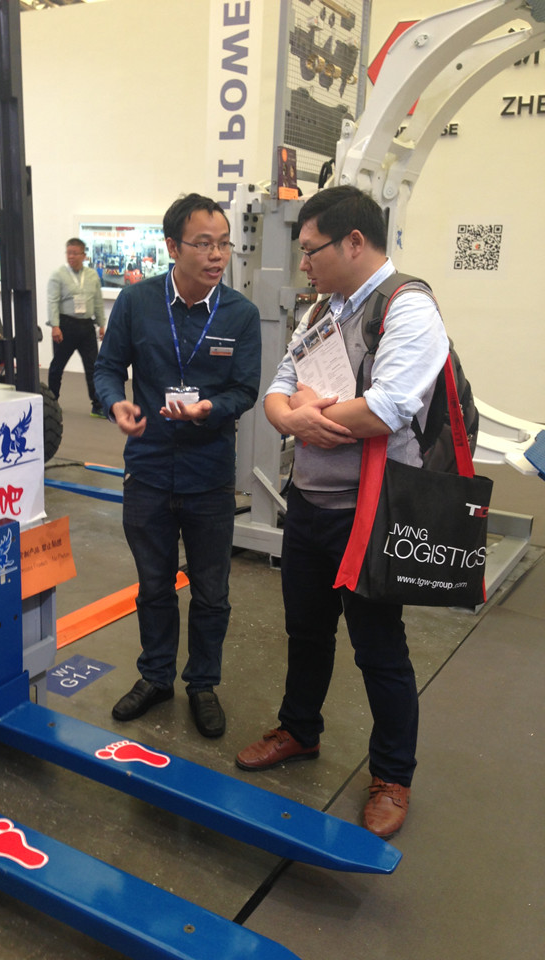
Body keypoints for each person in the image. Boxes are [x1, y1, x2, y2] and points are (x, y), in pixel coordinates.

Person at [235, 186, 449, 839]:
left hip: (372, 513)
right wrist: (294, 417)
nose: (303, 263)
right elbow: (277, 390)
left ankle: (392, 774)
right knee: (306, 630)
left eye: (311, 250)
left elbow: (388, 408)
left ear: (354, 242)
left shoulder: (408, 308)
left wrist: (305, 419)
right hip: (309, 503)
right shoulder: (321, 311)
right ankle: (300, 729)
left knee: (379, 650)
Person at [94, 193, 261, 738]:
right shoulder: (137, 302)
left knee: (211, 591)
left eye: (224, 244)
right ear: (173, 246)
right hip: (148, 469)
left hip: (208, 475)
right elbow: (106, 368)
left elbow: (245, 389)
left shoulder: (240, 314)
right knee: (154, 585)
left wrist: (211, 408)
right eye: (204, 244)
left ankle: (203, 684)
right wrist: (114, 403)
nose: (217, 255)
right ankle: (156, 676)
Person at [47, 238, 106, 417]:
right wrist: (55, 326)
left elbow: (98, 301)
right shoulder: (58, 275)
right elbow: (53, 301)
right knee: (57, 366)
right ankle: (51, 402)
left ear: (83, 255)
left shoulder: (92, 275)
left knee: (93, 366)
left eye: (75, 253)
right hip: (65, 326)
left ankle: (97, 405)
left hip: (87, 327)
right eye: (69, 253)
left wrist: (101, 324)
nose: (71, 256)